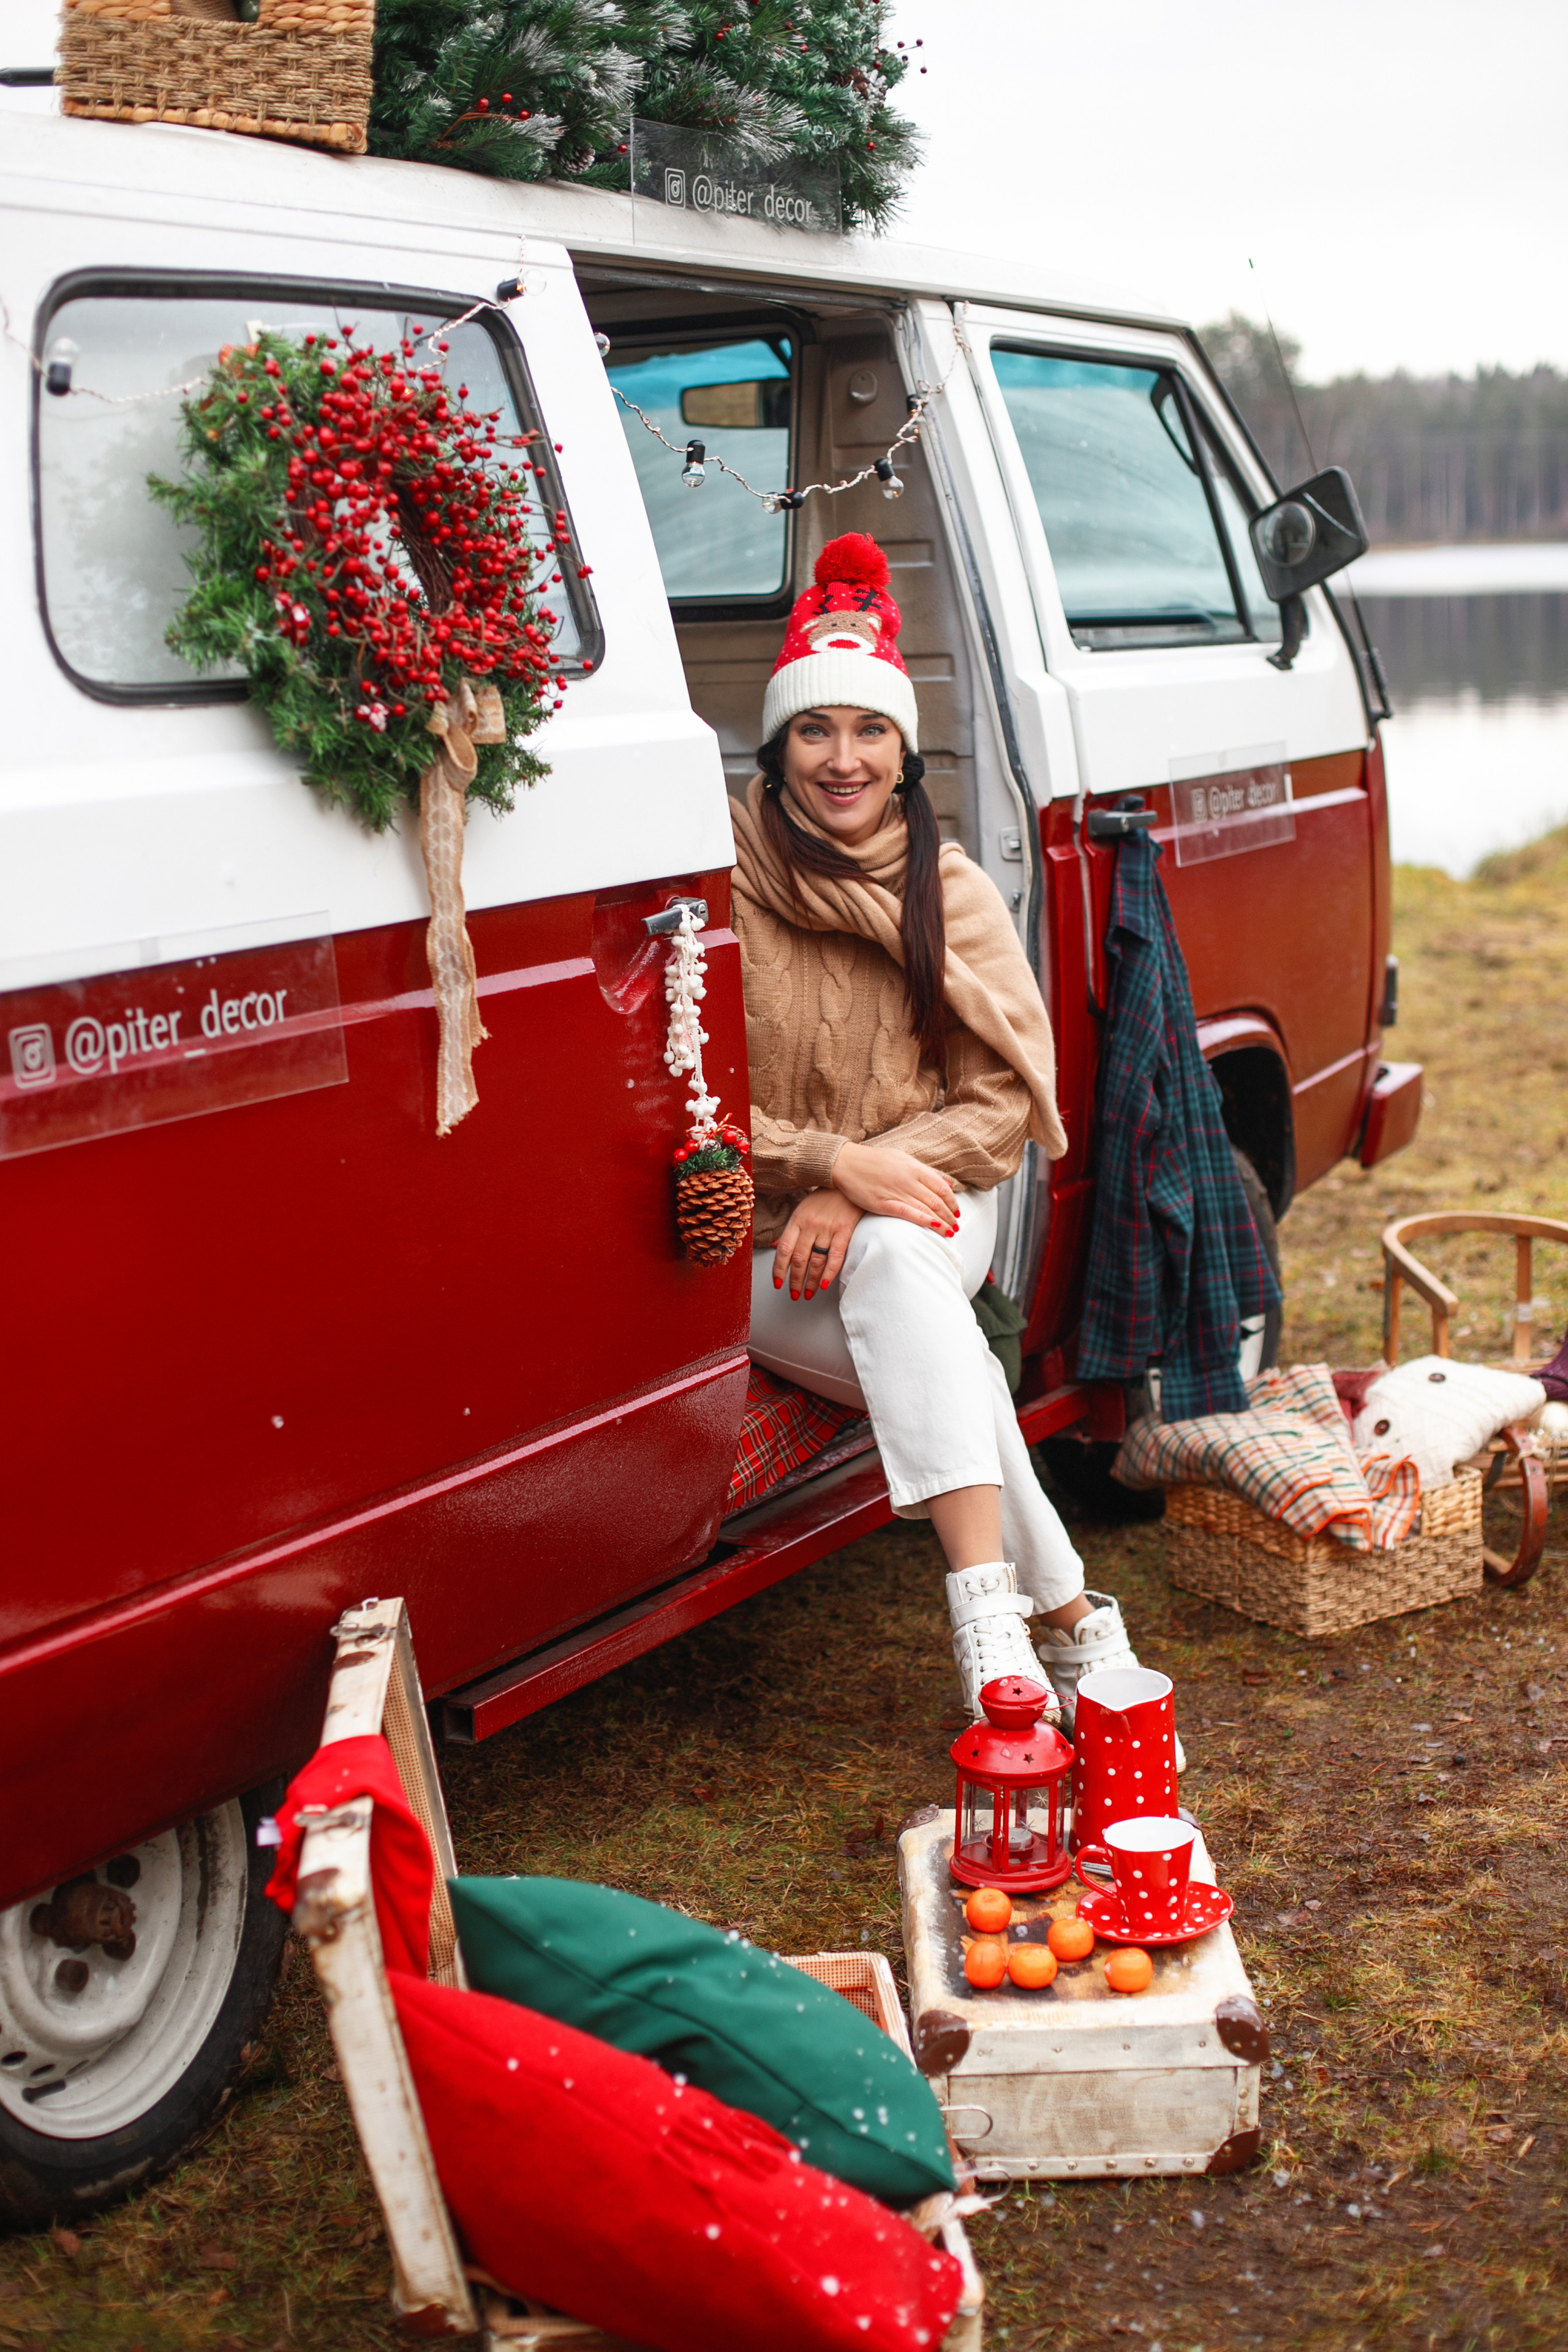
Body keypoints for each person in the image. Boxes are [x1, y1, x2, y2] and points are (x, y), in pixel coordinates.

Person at [734, 532, 1150, 1726]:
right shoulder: (725, 873)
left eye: (868, 730)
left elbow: (1000, 1102)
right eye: (813, 730)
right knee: (949, 1350)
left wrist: (861, 1180)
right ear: (777, 742)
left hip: (929, 1200)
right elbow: (684, 1101)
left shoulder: (946, 887)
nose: (841, 758)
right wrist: (820, 1161)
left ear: (902, 748)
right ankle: (1058, 1616)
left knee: (898, 1252)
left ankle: (984, 1623)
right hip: (765, 1240)